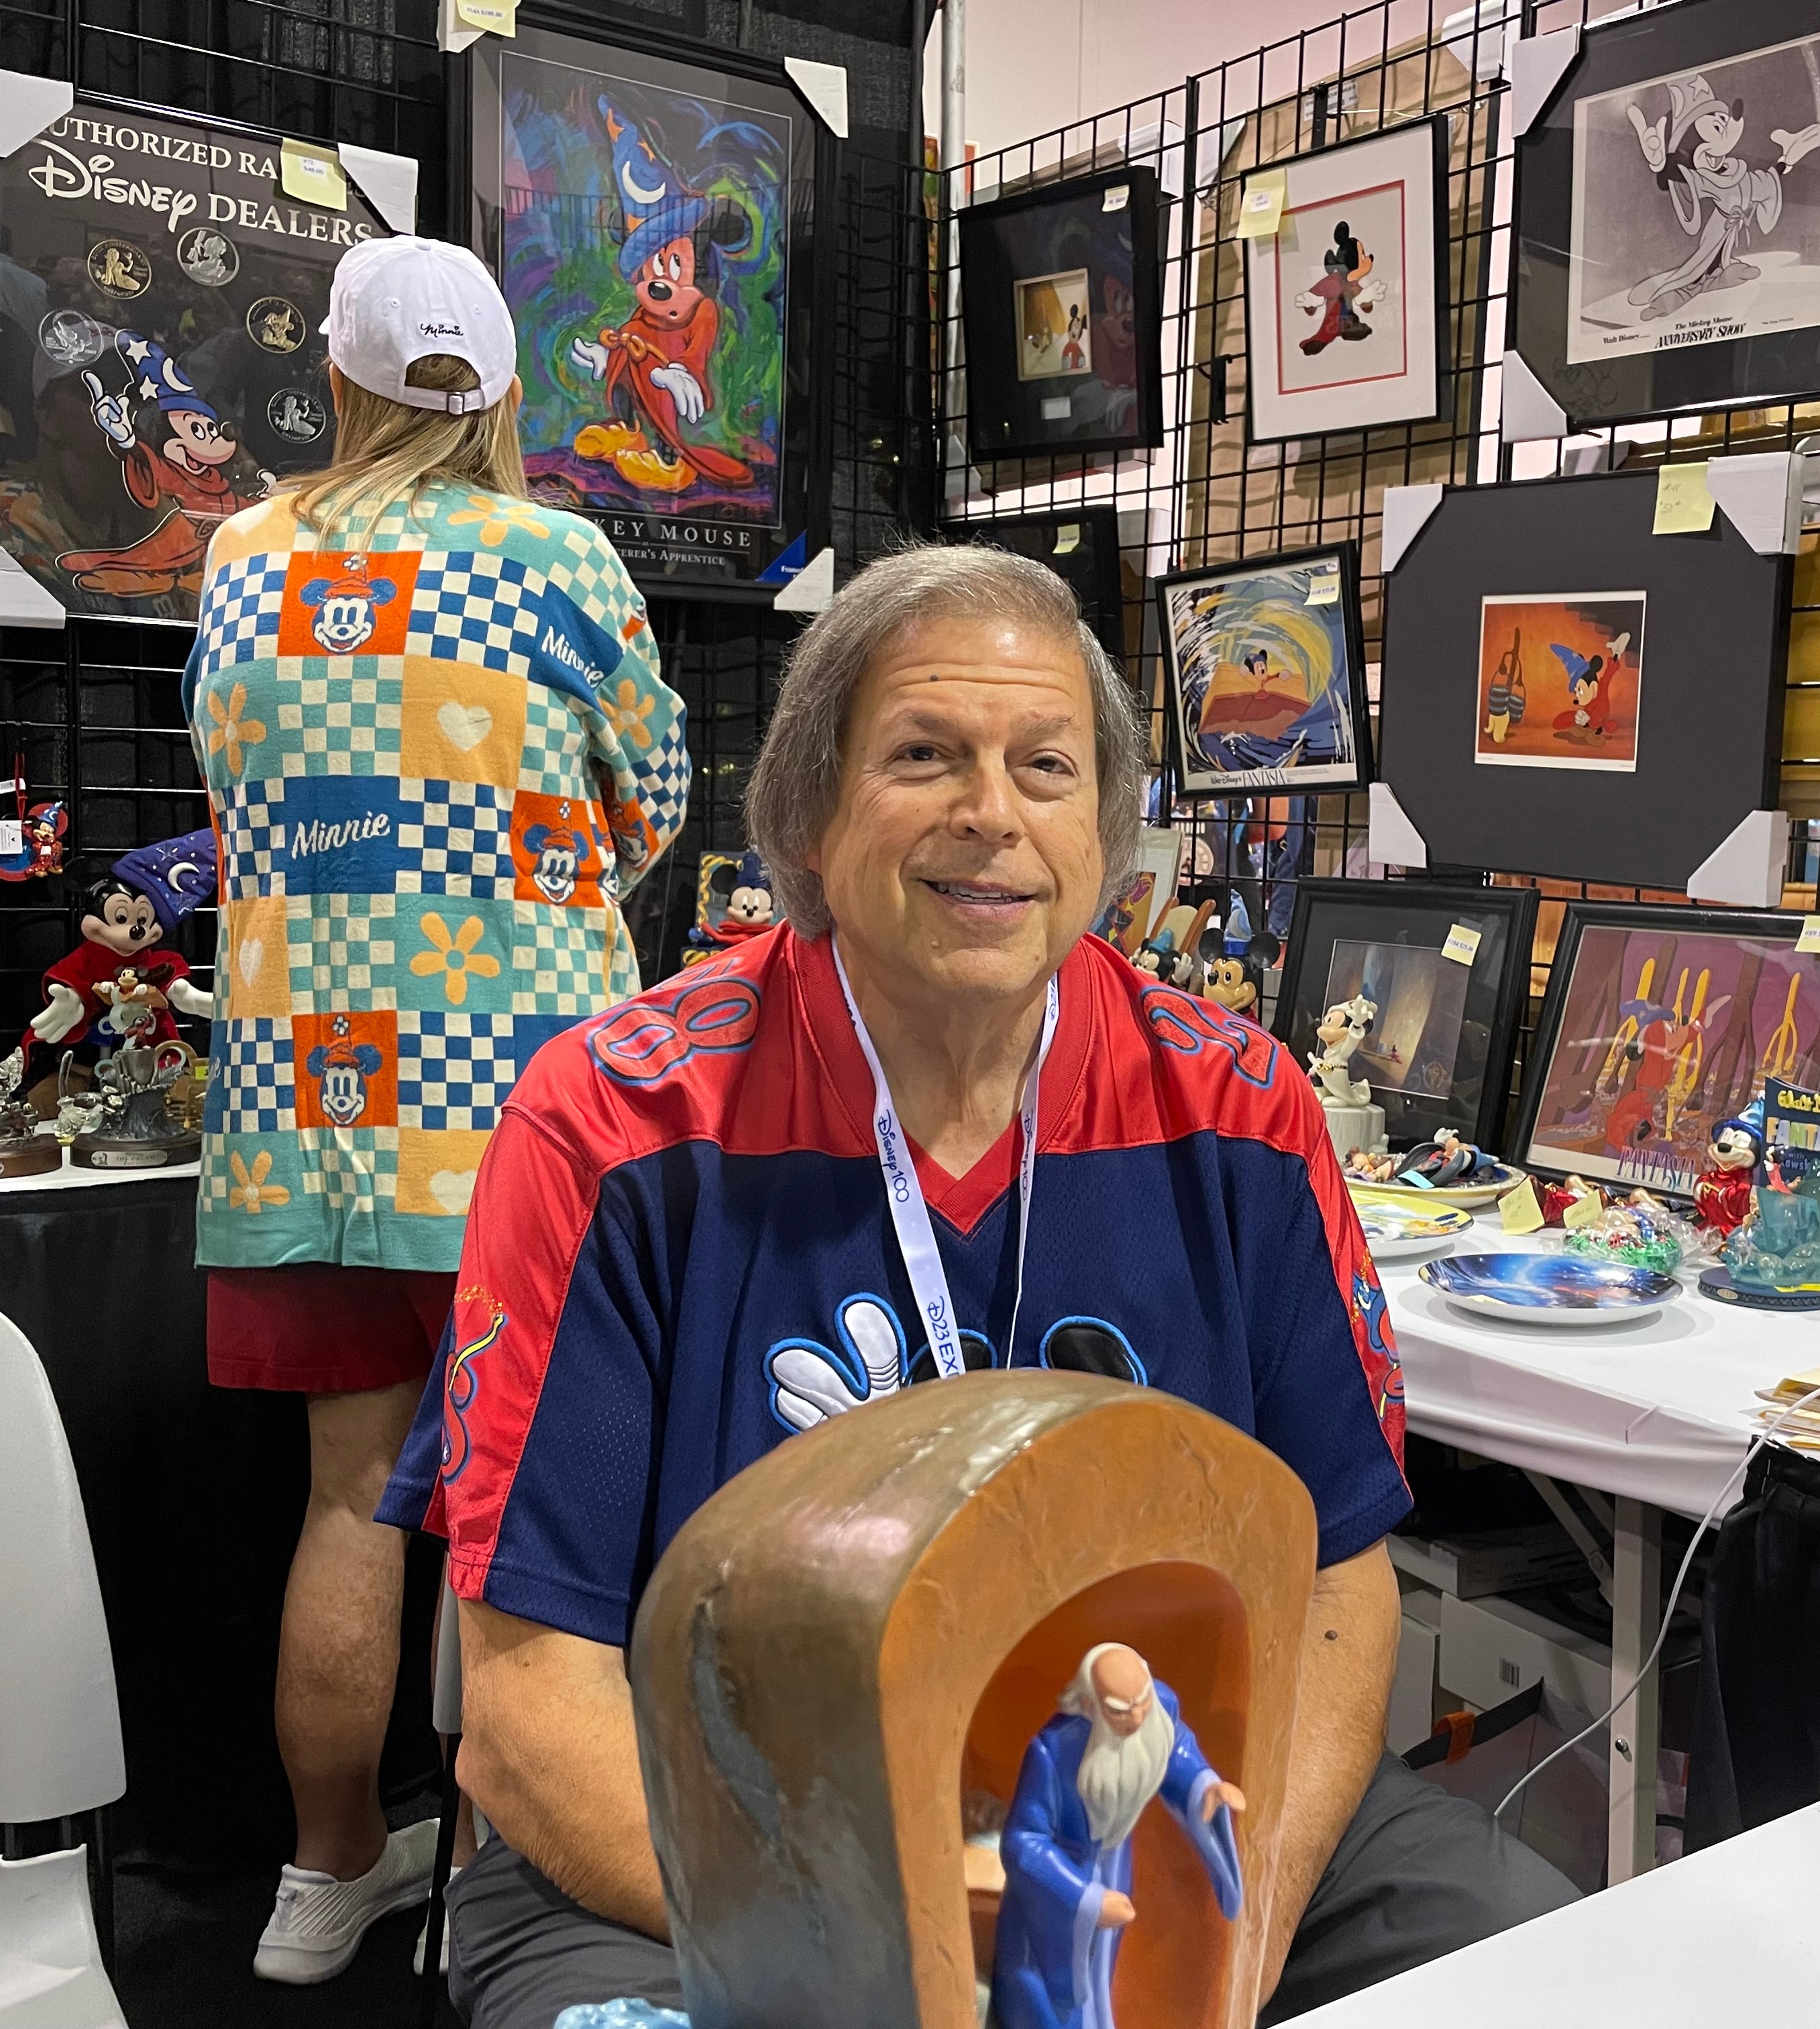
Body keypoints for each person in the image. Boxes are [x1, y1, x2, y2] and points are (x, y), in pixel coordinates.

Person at [376, 543, 1574, 2028]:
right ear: (809, 817)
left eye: (1047, 767)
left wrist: (1230, 1928)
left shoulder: (1243, 1114)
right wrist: (898, 1967)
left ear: (1108, 831)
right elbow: (531, 1697)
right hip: (721, 1842)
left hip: (1167, 1797)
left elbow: (1337, 1582)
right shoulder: (615, 1128)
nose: (991, 816)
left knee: (1540, 1962)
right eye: (924, 756)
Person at [184, 233, 688, 1985]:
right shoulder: (562, 557)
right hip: (519, 1112)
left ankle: (324, 1888)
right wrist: (548, 881)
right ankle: (487, 1882)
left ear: (338, 379)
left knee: (347, 1501)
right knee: (519, 1509)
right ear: (507, 395)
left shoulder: (243, 557)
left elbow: (235, 782)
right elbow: (661, 793)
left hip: (304, 1110)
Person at [994, 1644, 1244, 2029]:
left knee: (1099, 1971)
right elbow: (1023, 1841)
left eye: (1141, 1701)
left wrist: (1204, 1786)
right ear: (1090, 1705)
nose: (1137, 1717)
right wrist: (1087, 1898)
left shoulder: (1158, 1707)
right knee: (1046, 1987)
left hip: (1113, 1865)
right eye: (1119, 1709)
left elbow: (1174, 1751)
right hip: (1057, 1889)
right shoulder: (1052, 1751)